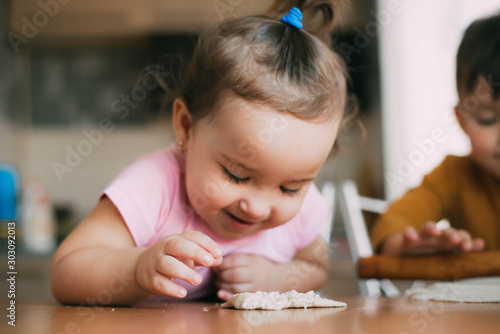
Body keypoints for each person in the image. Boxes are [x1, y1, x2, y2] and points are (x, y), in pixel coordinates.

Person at [50, 0, 351, 306]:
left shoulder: (304, 208)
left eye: (290, 188)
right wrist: (138, 268)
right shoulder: (154, 185)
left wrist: (275, 277)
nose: (257, 208)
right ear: (186, 127)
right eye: (236, 174)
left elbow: (315, 267)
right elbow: (67, 269)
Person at [371, 12, 500, 255]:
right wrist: (410, 243)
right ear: (461, 120)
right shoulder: (453, 176)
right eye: (487, 119)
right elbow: (390, 226)